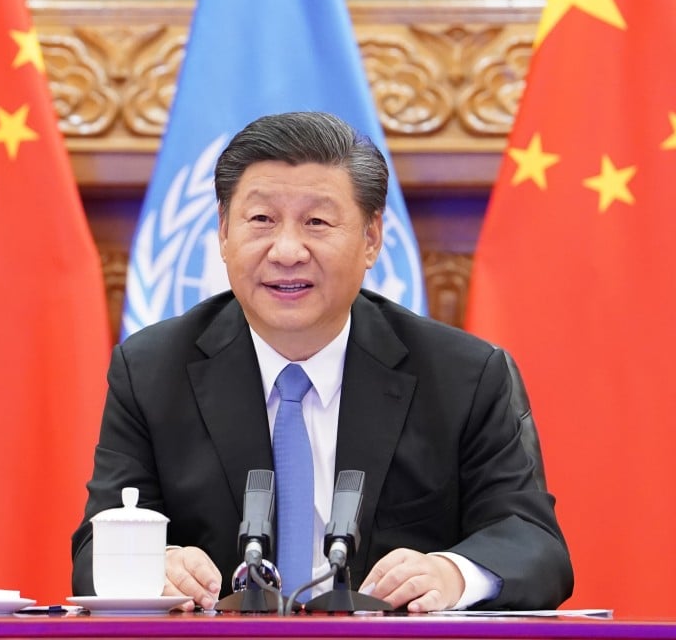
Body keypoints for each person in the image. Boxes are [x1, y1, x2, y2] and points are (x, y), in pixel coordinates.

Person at [71, 111, 572, 612]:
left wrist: (452, 573)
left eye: (317, 222)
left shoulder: (462, 376)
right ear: (223, 232)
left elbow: (533, 545)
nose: (287, 251)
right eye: (261, 220)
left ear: (371, 238)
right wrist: (151, 565)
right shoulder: (152, 371)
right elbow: (93, 550)